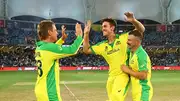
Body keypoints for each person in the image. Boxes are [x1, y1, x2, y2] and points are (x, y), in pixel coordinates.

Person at [83, 12, 145, 101]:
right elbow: (86, 50)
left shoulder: (123, 38)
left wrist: (133, 21)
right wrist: (86, 34)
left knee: (116, 98)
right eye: (102, 27)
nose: (102, 29)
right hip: (111, 78)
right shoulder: (102, 45)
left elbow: (141, 30)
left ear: (112, 28)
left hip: (122, 76)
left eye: (105, 26)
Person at [34, 20, 83, 101]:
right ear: (49, 32)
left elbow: (52, 51)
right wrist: (80, 36)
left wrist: (62, 39)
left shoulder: (40, 47)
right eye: (55, 30)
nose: (57, 33)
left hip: (41, 89)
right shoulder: (49, 48)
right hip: (49, 92)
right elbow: (72, 50)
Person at [121, 30, 153, 101]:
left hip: (143, 91)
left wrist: (128, 70)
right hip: (137, 91)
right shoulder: (132, 52)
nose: (127, 42)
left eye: (129, 40)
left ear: (137, 42)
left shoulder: (141, 55)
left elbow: (143, 75)